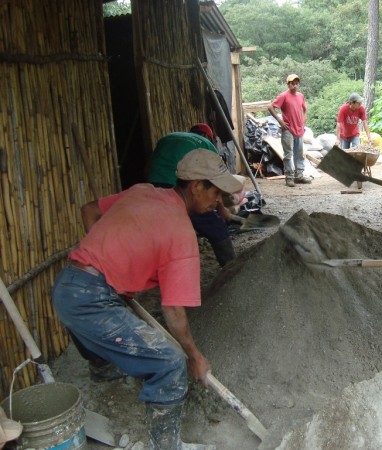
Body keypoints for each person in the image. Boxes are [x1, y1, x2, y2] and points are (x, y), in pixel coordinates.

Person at [52, 149, 245, 449]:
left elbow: (89, 211)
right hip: (90, 302)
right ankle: (167, 445)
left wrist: (108, 256)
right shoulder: (181, 233)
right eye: (216, 192)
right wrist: (193, 356)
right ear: (196, 186)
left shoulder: (143, 191)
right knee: (169, 363)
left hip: (68, 285)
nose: (219, 201)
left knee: (117, 328)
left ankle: (104, 369)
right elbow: (173, 311)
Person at [148, 126, 242, 267]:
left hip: (154, 183)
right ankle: (231, 269)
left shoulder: (170, 136)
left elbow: (149, 165)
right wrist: (221, 210)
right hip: (182, 186)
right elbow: (217, 182)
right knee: (215, 226)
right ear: (206, 135)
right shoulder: (205, 147)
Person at [267, 73, 311, 187]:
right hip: (288, 129)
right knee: (288, 154)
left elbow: (305, 109)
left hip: (299, 129)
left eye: (297, 84)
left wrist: (303, 121)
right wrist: (279, 120)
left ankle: (299, 176)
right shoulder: (283, 96)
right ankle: (289, 177)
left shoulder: (300, 96)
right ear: (288, 84)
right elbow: (270, 107)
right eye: (292, 84)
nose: (295, 86)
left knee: (299, 153)